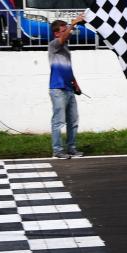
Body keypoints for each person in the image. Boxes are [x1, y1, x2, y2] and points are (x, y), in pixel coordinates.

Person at [48, 16, 85, 159]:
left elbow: (68, 69)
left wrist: (75, 84)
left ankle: (71, 148)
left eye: (67, 30)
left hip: (68, 89)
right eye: (63, 31)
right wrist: (73, 23)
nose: (67, 33)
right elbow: (63, 39)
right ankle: (57, 150)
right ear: (56, 33)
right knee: (58, 121)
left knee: (73, 120)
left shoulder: (66, 49)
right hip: (57, 89)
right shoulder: (53, 45)